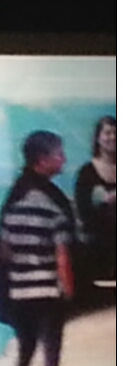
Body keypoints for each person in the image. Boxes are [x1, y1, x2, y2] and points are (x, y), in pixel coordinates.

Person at [0, 131, 77, 366]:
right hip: (48, 289)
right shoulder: (52, 202)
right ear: (42, 160)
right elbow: (62, 254)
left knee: (26, 348)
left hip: (20, 291)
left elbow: (5, 250)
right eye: (58, 154)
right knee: (52, 346)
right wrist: (68, 287)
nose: (63, 159)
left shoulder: (14, 198)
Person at [73, 115, 116, 299]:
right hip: (98, 248)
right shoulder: (87, 173)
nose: (112, 137)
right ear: (98, 137)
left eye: (116, 132)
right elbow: (82, 210)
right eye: (107, 133)